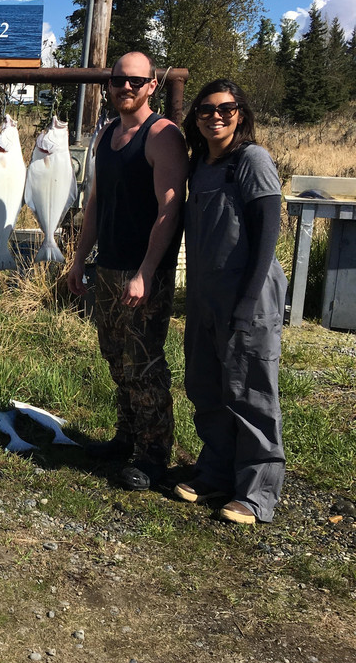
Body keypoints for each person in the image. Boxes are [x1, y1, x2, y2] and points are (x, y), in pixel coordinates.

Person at [68, 51, 189, 491]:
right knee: (117, 358)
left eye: (136, 81)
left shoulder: (163, 136)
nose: (126, 87)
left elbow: (169, 210)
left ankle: (154, 456)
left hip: (143, 273)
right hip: (108, 268)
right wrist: (80, 260)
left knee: (145, 365)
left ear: (152, 85)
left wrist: (146, 271)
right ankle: (127, 438)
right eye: (119, 80)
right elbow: (96, 204)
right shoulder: (106, 135)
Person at [175, 79, 287, 524]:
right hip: (204, 295)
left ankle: (258, 492)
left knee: (251, 391)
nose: (214, 116)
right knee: (206, 386)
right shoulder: (201, 163)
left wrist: (246, 303)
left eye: (225, 108)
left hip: (248, 296)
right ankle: (216, 471)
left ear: (240, 112)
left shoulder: (252, 159)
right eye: (205, 110)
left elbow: (267, 233)